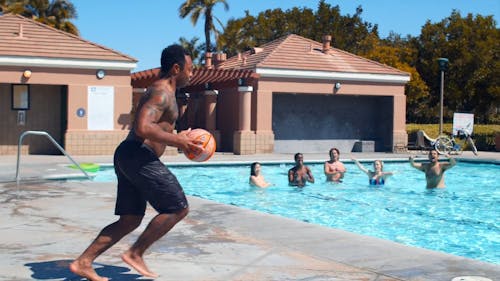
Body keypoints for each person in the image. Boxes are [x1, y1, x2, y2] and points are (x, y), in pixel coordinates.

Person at [69, 45, 203, 281]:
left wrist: (182, 138)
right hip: (138, 155)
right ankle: (135, 253)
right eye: (189, 69)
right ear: (176, 68)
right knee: (177, 207)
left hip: (129, 155)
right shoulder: (161, 92)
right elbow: (143, 127)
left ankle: (83, 262)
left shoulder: (167, 94)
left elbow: (159, 127)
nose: (191, 75)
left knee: (130, 219)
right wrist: (178, 141)